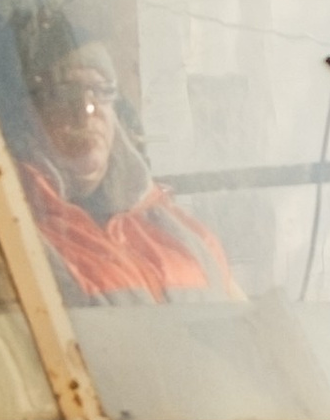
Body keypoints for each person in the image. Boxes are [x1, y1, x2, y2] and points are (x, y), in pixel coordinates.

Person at [13, 17, 236, 306]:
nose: (87, 110)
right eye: (65, 92)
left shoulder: (180, 231)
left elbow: (248, 329)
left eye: (101, 91)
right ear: (29, 115)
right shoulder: (6, 228)